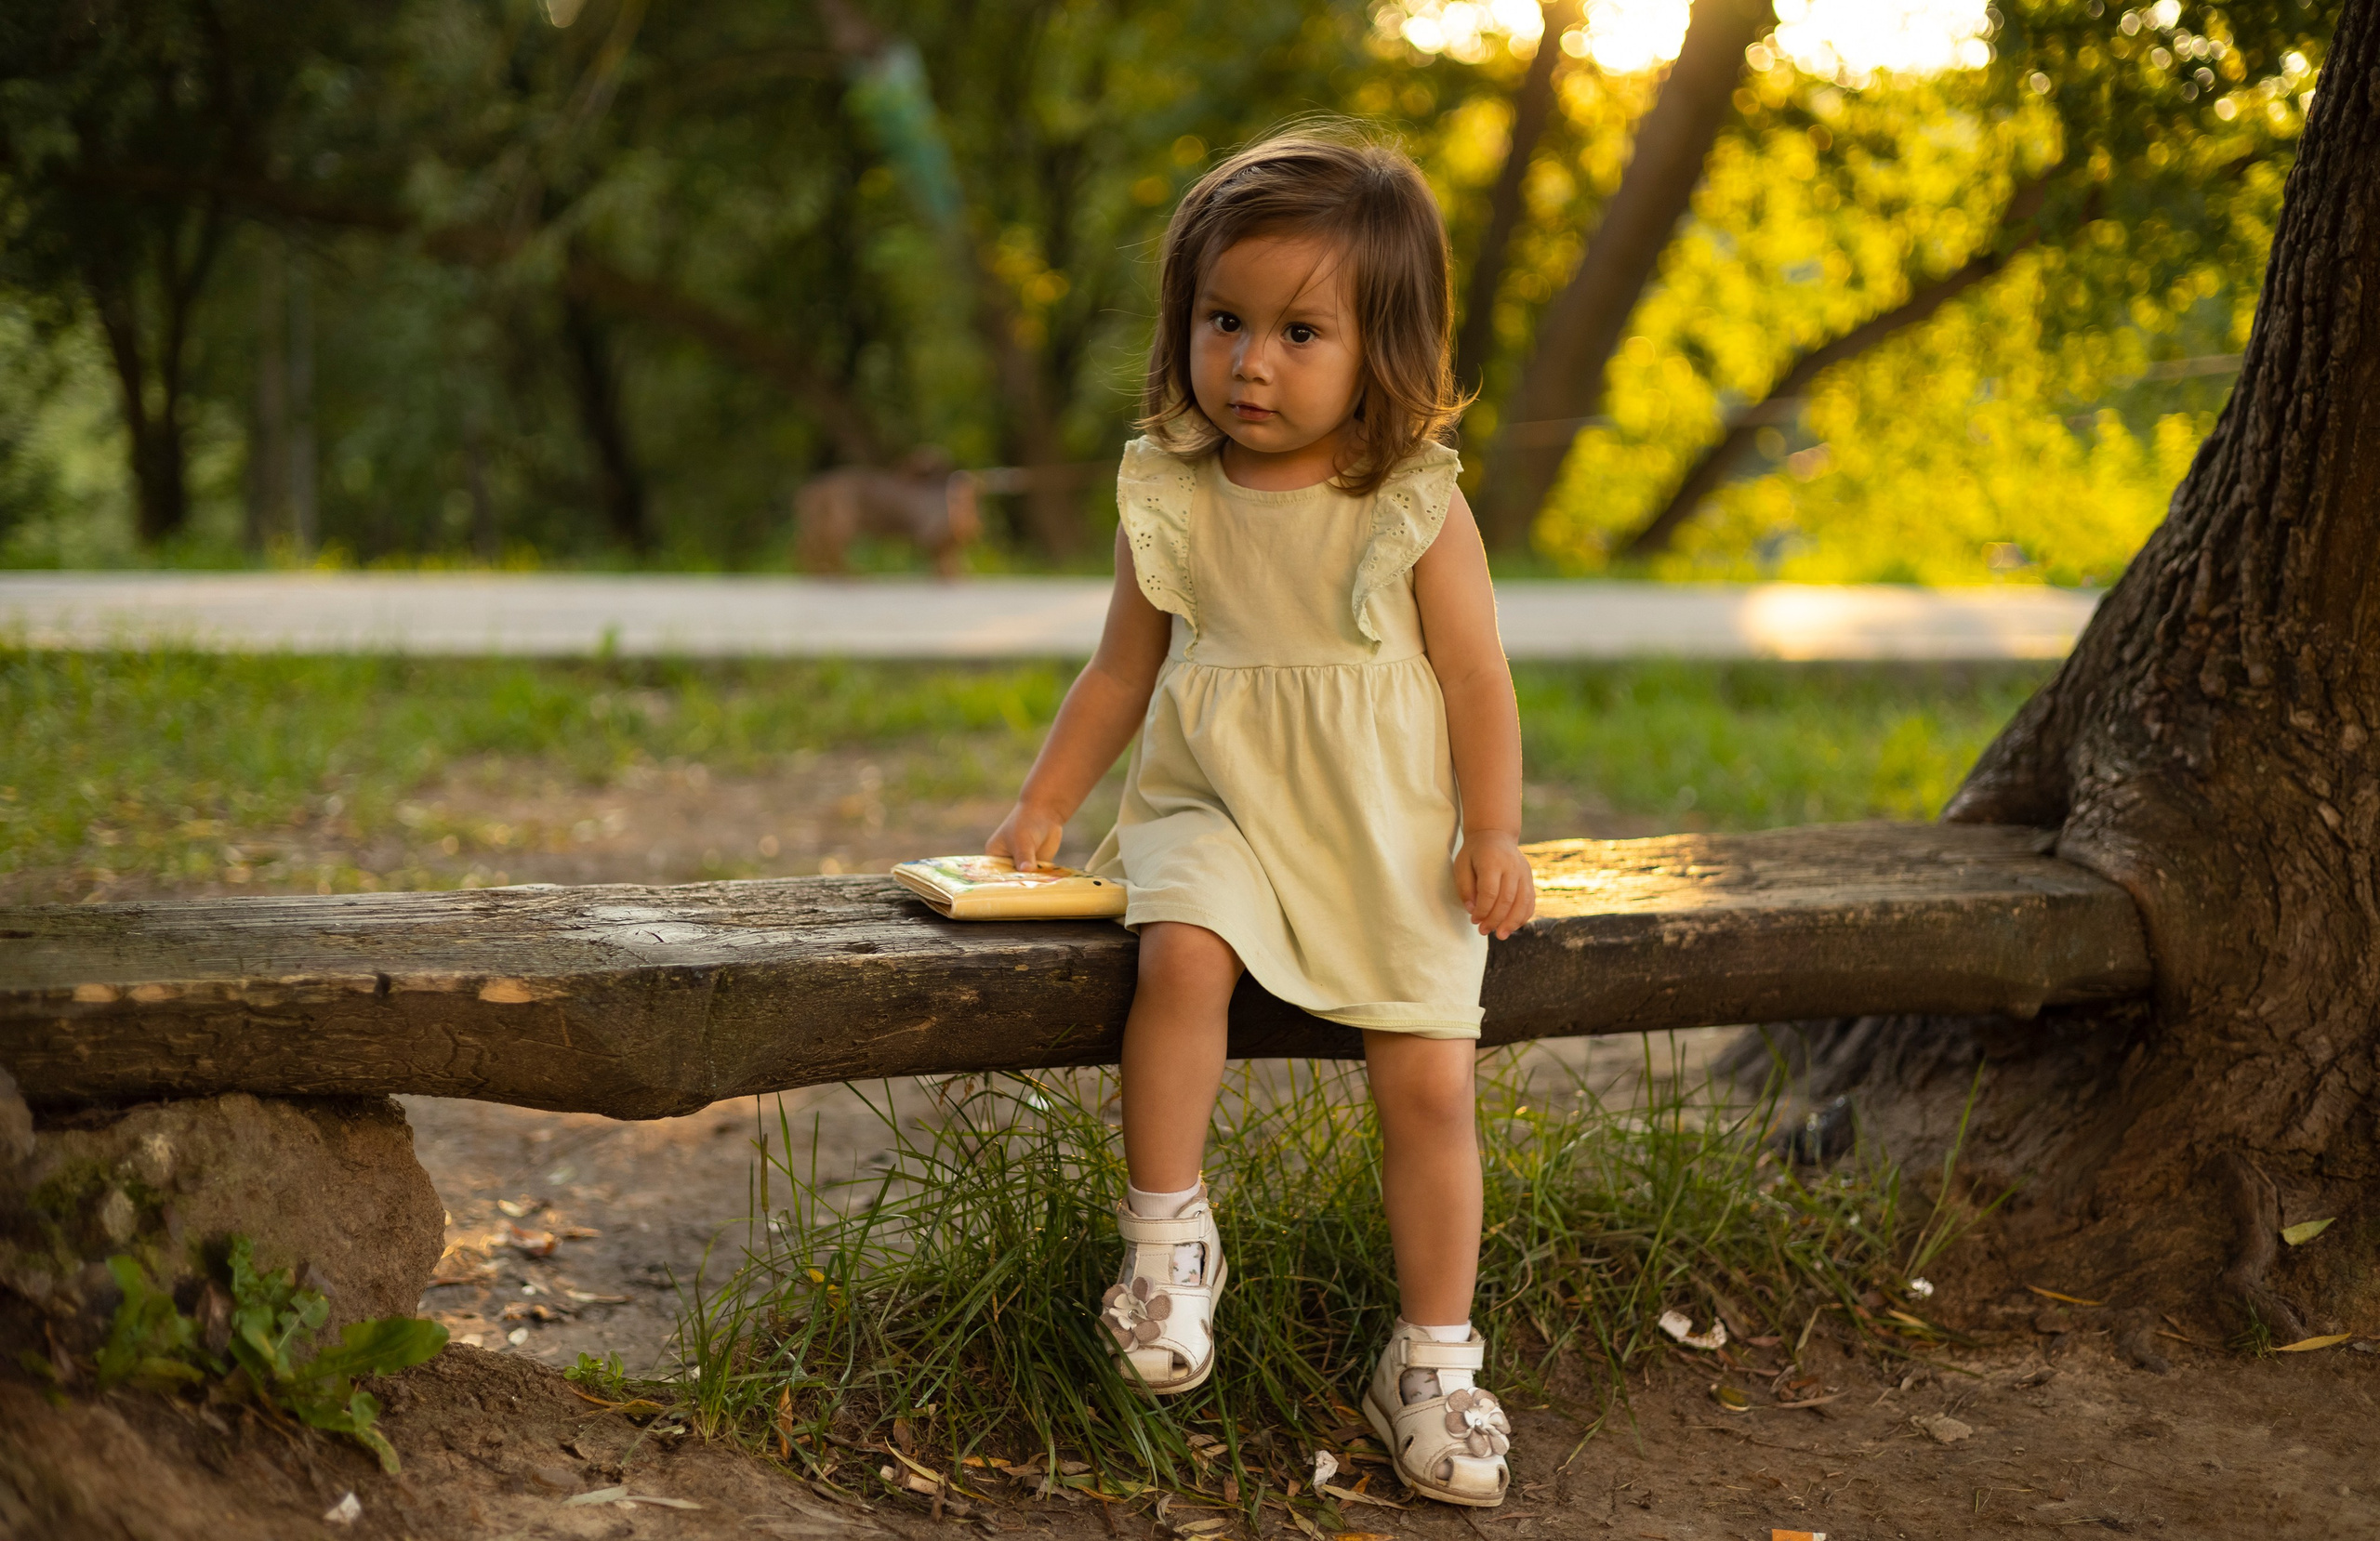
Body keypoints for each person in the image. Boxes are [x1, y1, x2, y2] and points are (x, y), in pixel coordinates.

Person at [985, 126, 1534, 1508]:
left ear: (1383, 350)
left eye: (1301, 331)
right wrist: (1047, 801)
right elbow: (1122, 668)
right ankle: (1167, 1243)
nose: (1251, 363)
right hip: (1212, 806)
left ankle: (1432, 1358)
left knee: (1428, 1080)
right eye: (1225, 321)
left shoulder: (1412, 504)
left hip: (1383, 830)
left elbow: (1477, 677)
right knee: (1178, 956)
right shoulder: (1169, 490)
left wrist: (1494, 831)